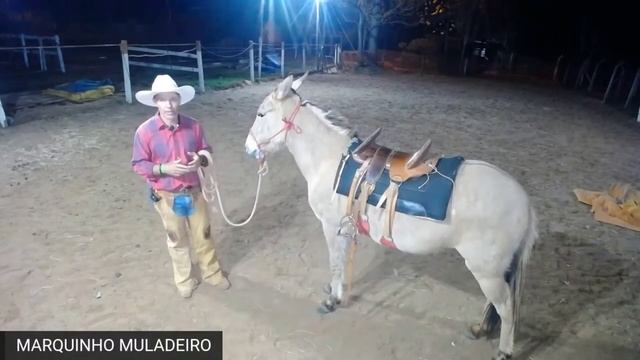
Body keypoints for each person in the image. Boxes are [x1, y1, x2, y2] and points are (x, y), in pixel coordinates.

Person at [131, 74, 230, 298]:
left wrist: (200, 160)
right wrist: (164, 169)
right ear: (156, 101)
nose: (169, 104)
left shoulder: (194, 126)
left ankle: (212, 273)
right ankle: (184, 279)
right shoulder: (144, 132)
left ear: (179, 100)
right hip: (167, 195)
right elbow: (138, 164)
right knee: (177, 239)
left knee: (203, 234)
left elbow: (206, 149)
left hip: (195, 191)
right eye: (163, 99)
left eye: (173, 98)